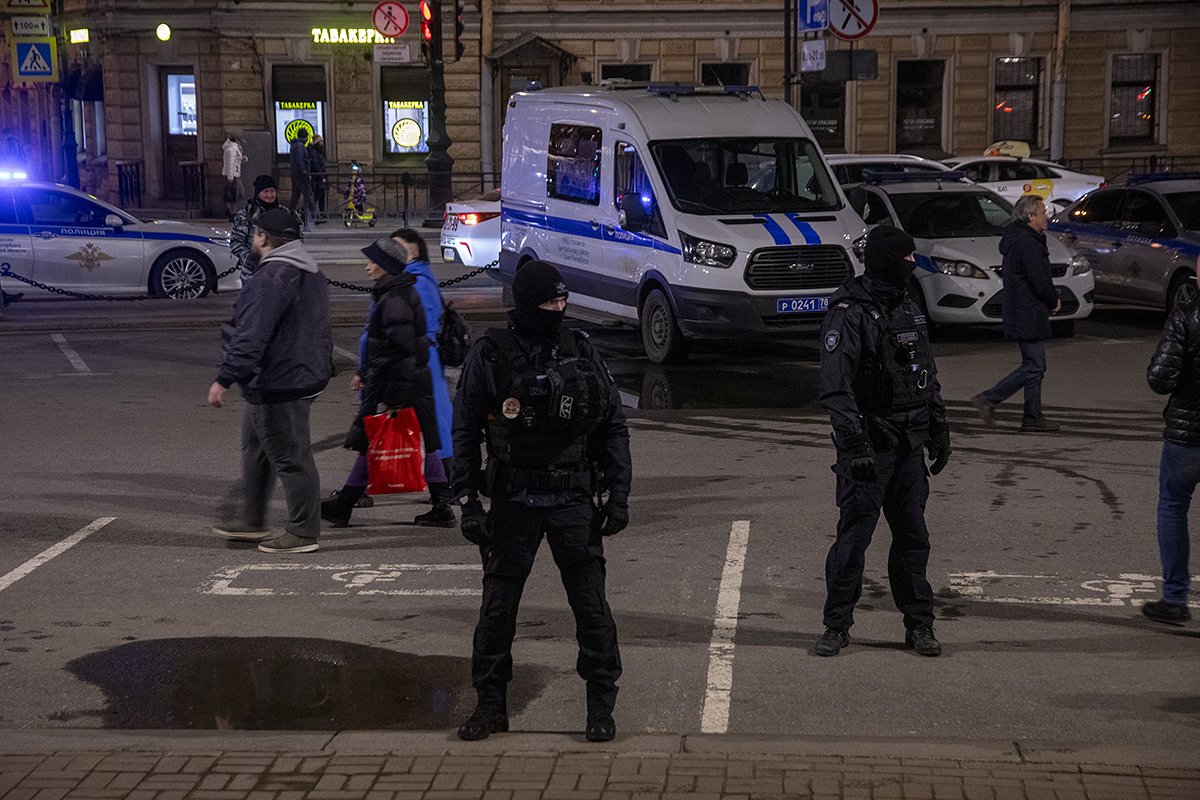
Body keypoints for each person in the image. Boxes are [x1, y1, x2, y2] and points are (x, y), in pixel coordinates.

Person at [450, 260, 632, 743]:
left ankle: (600, 706)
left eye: (562, 301)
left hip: (572, 496)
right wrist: (467, 501)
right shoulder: (491, 354)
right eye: (550, 302)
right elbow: (465, 430)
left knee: (591, 607)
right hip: (513, 498)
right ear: (529, 304)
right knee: (498, 610)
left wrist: (619, 495)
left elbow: (613, 425)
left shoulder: (580, 350)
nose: (559, 309)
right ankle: (490, 706)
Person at [815, 225, 951, 658]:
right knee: (854, 540)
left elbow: (925, 375)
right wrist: (855, 447)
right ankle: (836, 625)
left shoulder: (907, 307)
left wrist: (939, 428)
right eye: (908, 258)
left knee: (913, 539)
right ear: (890, 261)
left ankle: (920, 626)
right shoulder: (850, 312)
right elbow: (837, 389)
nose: (913, 265)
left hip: (909, 444)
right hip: (871, 446)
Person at [209, 208, 333, 554]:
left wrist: (224, 378)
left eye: (255, 233)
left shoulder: (272, 278)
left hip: (279, 381)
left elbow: (251, 334)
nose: (252, 239)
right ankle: (252, 520)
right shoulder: (308, 269)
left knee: (291, 458)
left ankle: (303, 532)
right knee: (257, 448)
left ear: (263, 237)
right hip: (298, 374)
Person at [320, 238, 439, 527]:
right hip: (406, 383)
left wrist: (391, 395)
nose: (367, 266)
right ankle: (443, 504)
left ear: (386, 266)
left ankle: (345, 503)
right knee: (421, 441)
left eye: (373, 261)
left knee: (374, 440)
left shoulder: (394, 299)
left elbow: (401, 350)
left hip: (396, 384)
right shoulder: (396, 292)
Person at [971, 195, 1062, 433]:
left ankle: (1032, 417)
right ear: (1031, 217)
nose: (1047, 216)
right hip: (1027, 310)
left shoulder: (1022, 238)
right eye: (1043, 212)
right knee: (1034, 366)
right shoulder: (1028, 243)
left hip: (1024, 308)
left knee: (1035, 365)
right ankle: (989, 399)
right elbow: (1039, 279)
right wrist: (1053, 299)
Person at [1143, 259, 1200, 626]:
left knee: (1173, 505)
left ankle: (1175, 598)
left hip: (1187, 433)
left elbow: (1160, 378)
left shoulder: (1186, 317)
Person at [393, 228, 456, 527]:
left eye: (399, 246)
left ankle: (447, 487)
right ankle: (446, 486)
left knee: (429, 426)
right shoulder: (418, 277)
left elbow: (422, 323)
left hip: (420, 358)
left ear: (415, 251)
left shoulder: (415, 280)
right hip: (425, 357)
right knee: (432, 425)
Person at [231, 175, 283, 281]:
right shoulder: (246, 214)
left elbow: (296, 238)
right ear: (258, 193)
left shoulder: (285, 213)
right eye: (266, 191)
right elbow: (236, 242)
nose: (269, 195)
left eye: (272, 191)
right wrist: (251, 260)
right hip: (254, 274)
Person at [289, 128, 315, 231]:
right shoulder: (300, 146)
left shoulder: (294, 145)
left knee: (295, 196)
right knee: (308, 195)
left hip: (295, 173)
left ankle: (290, 215)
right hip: (301, 175)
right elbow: (300, 161)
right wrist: (305, 172)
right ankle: (312, 217)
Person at [221, 134, 247, 221]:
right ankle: (232, 212)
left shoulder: (233, 147)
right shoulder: (232, 149)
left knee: (236, 194)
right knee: (235, 194)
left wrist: (242, 158)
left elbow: (234, 160)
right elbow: (230, 162)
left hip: (234, 174)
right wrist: (230, 176)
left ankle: (230, 211)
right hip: (233, 175)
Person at [307, 134, 328, 222]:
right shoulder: (314, 152)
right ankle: (317, 215)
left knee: (320, 196)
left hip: (318, 177)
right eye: (320, 141)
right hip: (317, 178)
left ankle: (320, 214)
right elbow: (316, 165)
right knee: (317, 196)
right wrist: (322, 176)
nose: (322, 143)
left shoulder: (317, 152)